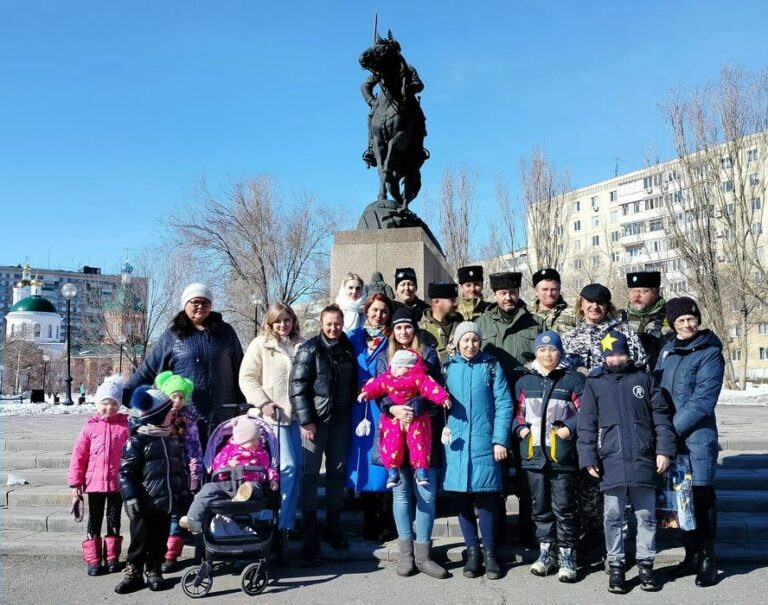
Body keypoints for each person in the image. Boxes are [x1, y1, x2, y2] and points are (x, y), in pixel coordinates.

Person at [577, 331, 676, 594]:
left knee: (646, 516)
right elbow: (586, 425)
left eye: (620, 353)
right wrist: (588, 457)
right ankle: (617, 565)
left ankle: (646, 564)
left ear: (628, 354)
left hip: (644, 458)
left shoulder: (644, 380)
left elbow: (661, 418)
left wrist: (663, 450)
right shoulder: (595, 383)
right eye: (610, 354)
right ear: (604, 357)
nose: (616, 358)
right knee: (612, 516)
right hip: (611, 460)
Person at [654, 297, 725, 588]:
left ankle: (708, 559)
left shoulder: (710, 352)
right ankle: (690, 556)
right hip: (671, 440)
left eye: (691, 319)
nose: (687, 324)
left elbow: (702, 401)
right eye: (680, 321)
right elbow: (656, 390)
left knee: (701, 496)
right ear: (672, 324)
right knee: (678, 499)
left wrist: (668, 429)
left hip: (696, 437)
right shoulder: (667, 350)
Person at [124, 283, 244, 449]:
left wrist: (245, 406)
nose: (200, 306)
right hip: (186, 418)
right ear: (185, 304)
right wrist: (122, 396)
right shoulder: (172, 336)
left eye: (205, 303)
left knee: (221, 467)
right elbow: (149, 369)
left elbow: (241, 370)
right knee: (189, 468)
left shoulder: (225, 333)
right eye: (195, 302)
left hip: (223, 416)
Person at [378, 307, 447, 579]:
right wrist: (392, 409)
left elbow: (434, 388)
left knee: (426, 494)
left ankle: (424, 555)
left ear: (414, 329)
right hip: (394, 433)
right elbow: (379, 388)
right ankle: (406, 555)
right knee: (402, 493)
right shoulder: (386, 356)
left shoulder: (428, 353)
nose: (403, 331)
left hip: (422, 432)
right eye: (398, 327)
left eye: (407, 326)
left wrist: (413, 407)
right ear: (393, 331)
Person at [476, 271, 543, 547]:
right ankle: (499, 533)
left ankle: (530, 532)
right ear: (495, 295)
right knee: (498, 470)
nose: (508, 297)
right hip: (495, 407)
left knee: (529, 468)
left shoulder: (535, 323)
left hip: (529, 406)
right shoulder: (481, 323)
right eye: (503, 293)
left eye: (512, 292)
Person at [443, 321, 514, 581]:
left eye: (474, 340)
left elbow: (505, 405)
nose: (470, 345)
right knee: (462, 501)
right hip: (456, 444)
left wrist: (500, 440)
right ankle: (472, 552)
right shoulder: (448, 367)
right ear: (457, 342)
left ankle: (490, 554)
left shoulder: (491, 366)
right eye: (465, 340)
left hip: (485, 443)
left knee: (486, 501)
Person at [512, 332, 584, 582]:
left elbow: (585, 413)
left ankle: (567, 554)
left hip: (561, 456)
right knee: (540, 507)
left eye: (552, 350)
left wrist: (570, 427)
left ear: (560, 353)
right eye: (542, 351)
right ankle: (546, 551)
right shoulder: (525, 382)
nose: (547, 355)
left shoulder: (572, 380)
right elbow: (517, 413)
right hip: (534, 454)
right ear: (536, 353)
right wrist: (520, 429)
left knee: (564, 507)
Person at [290, 304, 358, 557]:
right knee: (310, 474)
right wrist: (305, 420)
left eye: (337, 323)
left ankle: (333, 523)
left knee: (336, 472)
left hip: (341, 419)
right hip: (316, 422)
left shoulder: (347, 347)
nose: (333, 328)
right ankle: (309, 528)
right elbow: (297, 385)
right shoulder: (310, 348)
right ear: (321, 324)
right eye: (329, 324)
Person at [239, 302, 306, 556]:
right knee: (285, 468)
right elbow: (247, 377)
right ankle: (278, 525)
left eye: (287, 320)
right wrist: (264, 402)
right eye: (278, 321)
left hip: (297, 417)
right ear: (269, 322)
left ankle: (287, 523)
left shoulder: (301, 344)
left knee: (297, 469)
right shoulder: (260, 345)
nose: (283, 325)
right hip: (273, 417)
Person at [115, 386, 189, 594]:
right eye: (168, 414)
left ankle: (154, 571)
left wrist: (183, 494)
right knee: (139, 540)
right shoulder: (137, 441)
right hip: (142, 502)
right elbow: (126, 473)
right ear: (156, 416)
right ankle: (133, 573)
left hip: (165, 502)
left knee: (159, 539)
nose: (171, 416)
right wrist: (130, 497)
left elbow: (179, 471)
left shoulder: (171, 439)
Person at [358, 349, 451, 488]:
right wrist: (366, 393)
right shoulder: (388, 378)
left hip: (416, 417)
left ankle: (421, 469)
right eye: (394, 366)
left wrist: (443, 398)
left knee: (419, 441)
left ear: (408, 368)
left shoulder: (419, 378)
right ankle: (392, 471)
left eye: (399, 366)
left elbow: (431, 388)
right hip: (393, 418)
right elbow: (376, 385)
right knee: (391, 441)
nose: (394, 369)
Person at [68, 375, 130, 576]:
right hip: (94, 483)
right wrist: (76, 482)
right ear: (98, 404)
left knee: (114, 519)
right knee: (94, 519)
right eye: (105, 403)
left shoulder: (125, 426)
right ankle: (94, 560)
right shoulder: (90, 426)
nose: (109, 408)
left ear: (118, 405)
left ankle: (112, 558)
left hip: (116, 483)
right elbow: (79, 455)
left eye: (113, 404)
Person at [346, 293, 396, 541]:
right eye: (374, 310)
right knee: (363, 460)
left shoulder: (393, 338)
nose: (378, 316)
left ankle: (386, 519)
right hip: (358, 407)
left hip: (383, 405)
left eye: (383, 311)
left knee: (385, 458)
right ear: (367, 311)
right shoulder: (353, 338)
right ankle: (368, 518)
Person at [180, 415, 279, 534]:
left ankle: (243, 494)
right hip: (227, 484)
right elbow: (216, 464)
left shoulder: (261, 453)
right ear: (240, 440)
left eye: (257, 439)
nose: (256, 442)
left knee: (254, 486)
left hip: (252, 483)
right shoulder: (228, 451)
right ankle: (193, 519)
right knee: (208, 489)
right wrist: (227, 465)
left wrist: (273, 479)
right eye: (251, 440)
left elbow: (269, 468)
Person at [152, 371, 202, 573]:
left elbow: (194, 447)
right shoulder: (158, 417)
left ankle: (171, 554)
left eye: (181, 396)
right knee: (161, 513)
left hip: (180, 472)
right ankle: (156, 550)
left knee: (176, 514)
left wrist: (195, 472)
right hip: (160, 472)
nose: (178, 400)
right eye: (173, 396)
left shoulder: (188, 420)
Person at [562, 283, 647, 374]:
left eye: (600, 302)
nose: (595, 306)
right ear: (581, 305)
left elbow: (640, 366)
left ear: (607, 306)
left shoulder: (625, 333)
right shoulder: (569, 337)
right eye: (590, 301)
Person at [620, 271, 673, 370]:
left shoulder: (671, 317)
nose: (637, 296)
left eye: (644, 291)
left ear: (656, 293)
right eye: (633, 291)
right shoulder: (619, 320)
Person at [419, 281, 463, 363]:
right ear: (436, 302)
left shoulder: (463, 326)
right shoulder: (421, 329)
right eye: (452, 300)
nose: (456, 304)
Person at [529, 269, 576, 333]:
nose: (549, 294)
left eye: (554, 289)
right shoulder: (525, 315)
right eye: (545, 289)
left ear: (559, 290)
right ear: (536, 291)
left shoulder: (574, 313)